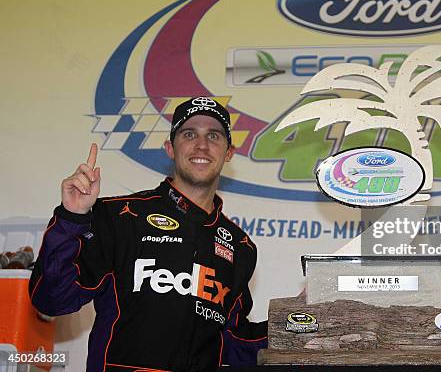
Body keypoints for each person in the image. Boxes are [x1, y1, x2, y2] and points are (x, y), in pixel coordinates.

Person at [29, 97, 267, 371]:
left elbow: (231, 342)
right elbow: (52, 299)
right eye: (189, 134)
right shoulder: (119, 217)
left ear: (228, 152)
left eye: (213, 135)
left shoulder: (240, 246)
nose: (202, 145)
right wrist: (71, 219)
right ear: (170, 148)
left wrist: (299, 323)